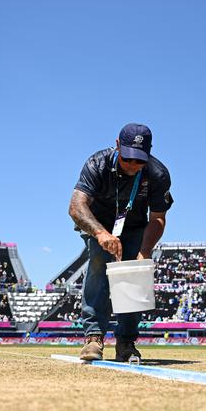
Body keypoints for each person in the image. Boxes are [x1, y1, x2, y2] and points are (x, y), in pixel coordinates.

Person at [69, 123, 173, 361]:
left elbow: (158, 218)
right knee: (98, 265)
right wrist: (101, 234)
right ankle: (93, 337)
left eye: (140, 161)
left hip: (136, 229)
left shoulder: (158, 174)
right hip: (99, 225)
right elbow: (76, 207)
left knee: (134, 278)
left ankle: (126, 342)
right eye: (128, 159)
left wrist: (145, 251)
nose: (133, 166)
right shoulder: (97, 164)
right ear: (117, 145)